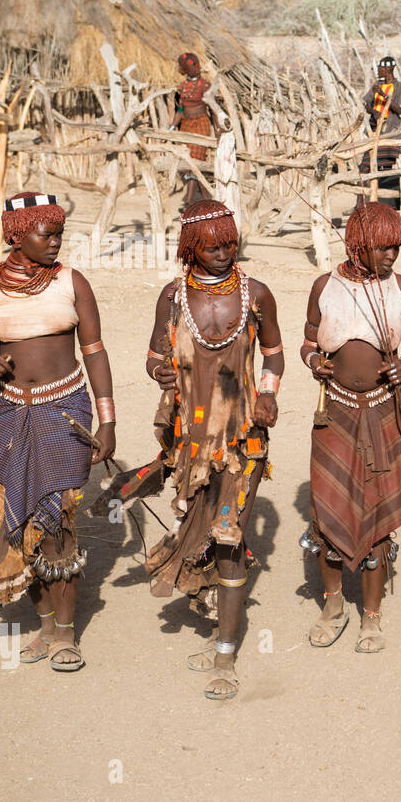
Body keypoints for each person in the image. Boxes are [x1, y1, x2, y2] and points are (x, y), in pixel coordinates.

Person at [0, 192, 116, 672]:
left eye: (58, 234)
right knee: (18, 522)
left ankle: (66, 636)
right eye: (44, 234)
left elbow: (94, 351)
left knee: (59, 523)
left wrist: (107, 420)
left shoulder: (72, 282)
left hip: (64, 412)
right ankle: (45, 625)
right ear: (16, 235)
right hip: (8, 418)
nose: (54, 242)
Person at [134, 200, 283, 699]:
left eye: (230, 244)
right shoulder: (172, 298)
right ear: (191, 248)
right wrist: (160, 371)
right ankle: (218, 627)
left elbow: (276, 354)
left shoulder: (256, 294)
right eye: (213, 246)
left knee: (229, 533)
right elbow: (155, 355)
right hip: (191, 443)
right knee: (198, 531)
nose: (224, 253)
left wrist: (267, 394)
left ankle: (225, 658)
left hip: (244, 438)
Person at [302, 202, 401, 655]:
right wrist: (316, 361)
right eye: (383, 248)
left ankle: (371, 617)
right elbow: (307, 339)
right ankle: (333, 605)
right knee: (328, 511)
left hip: (383, 412)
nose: (392, 256)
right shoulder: (325, 286)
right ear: (358, 245)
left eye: (396, 248)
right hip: (333, 413)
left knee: (375, 516)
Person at [361, 57, 401, 199]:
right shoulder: (377, 84)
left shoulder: (400, 87)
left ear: (388, 69)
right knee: (364, 168)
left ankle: (384, 203)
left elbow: (399, 110)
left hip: (390, 133)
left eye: (380, 68)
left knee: (386, 169)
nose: (378, 70)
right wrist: (373, 111)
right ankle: (360, 204)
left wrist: (383, 95)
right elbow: (366, 104)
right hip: (374, 132)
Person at [172, 52, 214, 209]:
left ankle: (189, 201)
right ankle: (207, 198)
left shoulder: (205, 85)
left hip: (201, 124)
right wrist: (170, 128)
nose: (178, 68)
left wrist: (217, 129)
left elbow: (213, 110)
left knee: (195, 160)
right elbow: (180, 110)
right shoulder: (182, 87)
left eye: (181, 66)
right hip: (186, 126)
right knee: (188, 161)